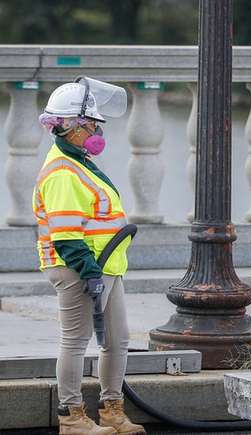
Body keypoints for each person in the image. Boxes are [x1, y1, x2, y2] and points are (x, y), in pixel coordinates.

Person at [34, 77, 145, 435]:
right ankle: (71, 417)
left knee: (117, 340)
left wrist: (100, 269)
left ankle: (112, 410)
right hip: (79, 268)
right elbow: (66, 235)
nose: (98, 131)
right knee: (75, 341)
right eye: (92, 125)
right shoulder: (62, 172)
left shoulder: (79, 162)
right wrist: (90, 272)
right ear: (72, 126)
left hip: (105, 265)